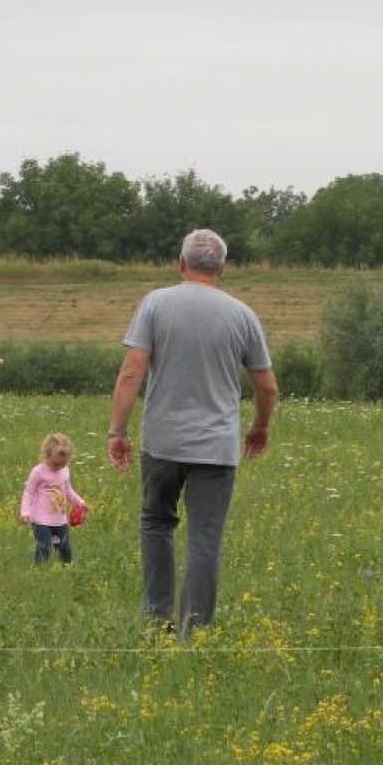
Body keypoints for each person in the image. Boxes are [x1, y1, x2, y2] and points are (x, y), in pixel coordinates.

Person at [107, 229, 278, 637]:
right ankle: (195, 631)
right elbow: (267, 386)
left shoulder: (154, 304)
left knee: (156, 523)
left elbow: (132, 371)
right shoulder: (243, 315)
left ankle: (156, 621)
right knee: (205, 537)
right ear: (222, 268)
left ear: (180, 264)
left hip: (162, 443)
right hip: (217, 448)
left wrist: (117, 431)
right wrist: (259, 427)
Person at [19, 432, 88, 566]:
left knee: (64, 548)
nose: (59, 467)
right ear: (47, 455)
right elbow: (29, 492)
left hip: (59, 520)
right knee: (44, 547)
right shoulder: (38, 472)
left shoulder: (64, 471)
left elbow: (68, 490)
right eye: (56, 464)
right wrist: (25, 512)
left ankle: (66, 569)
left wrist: (79, 502)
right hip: (41, 520)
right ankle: (39, 570)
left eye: (63, 464)